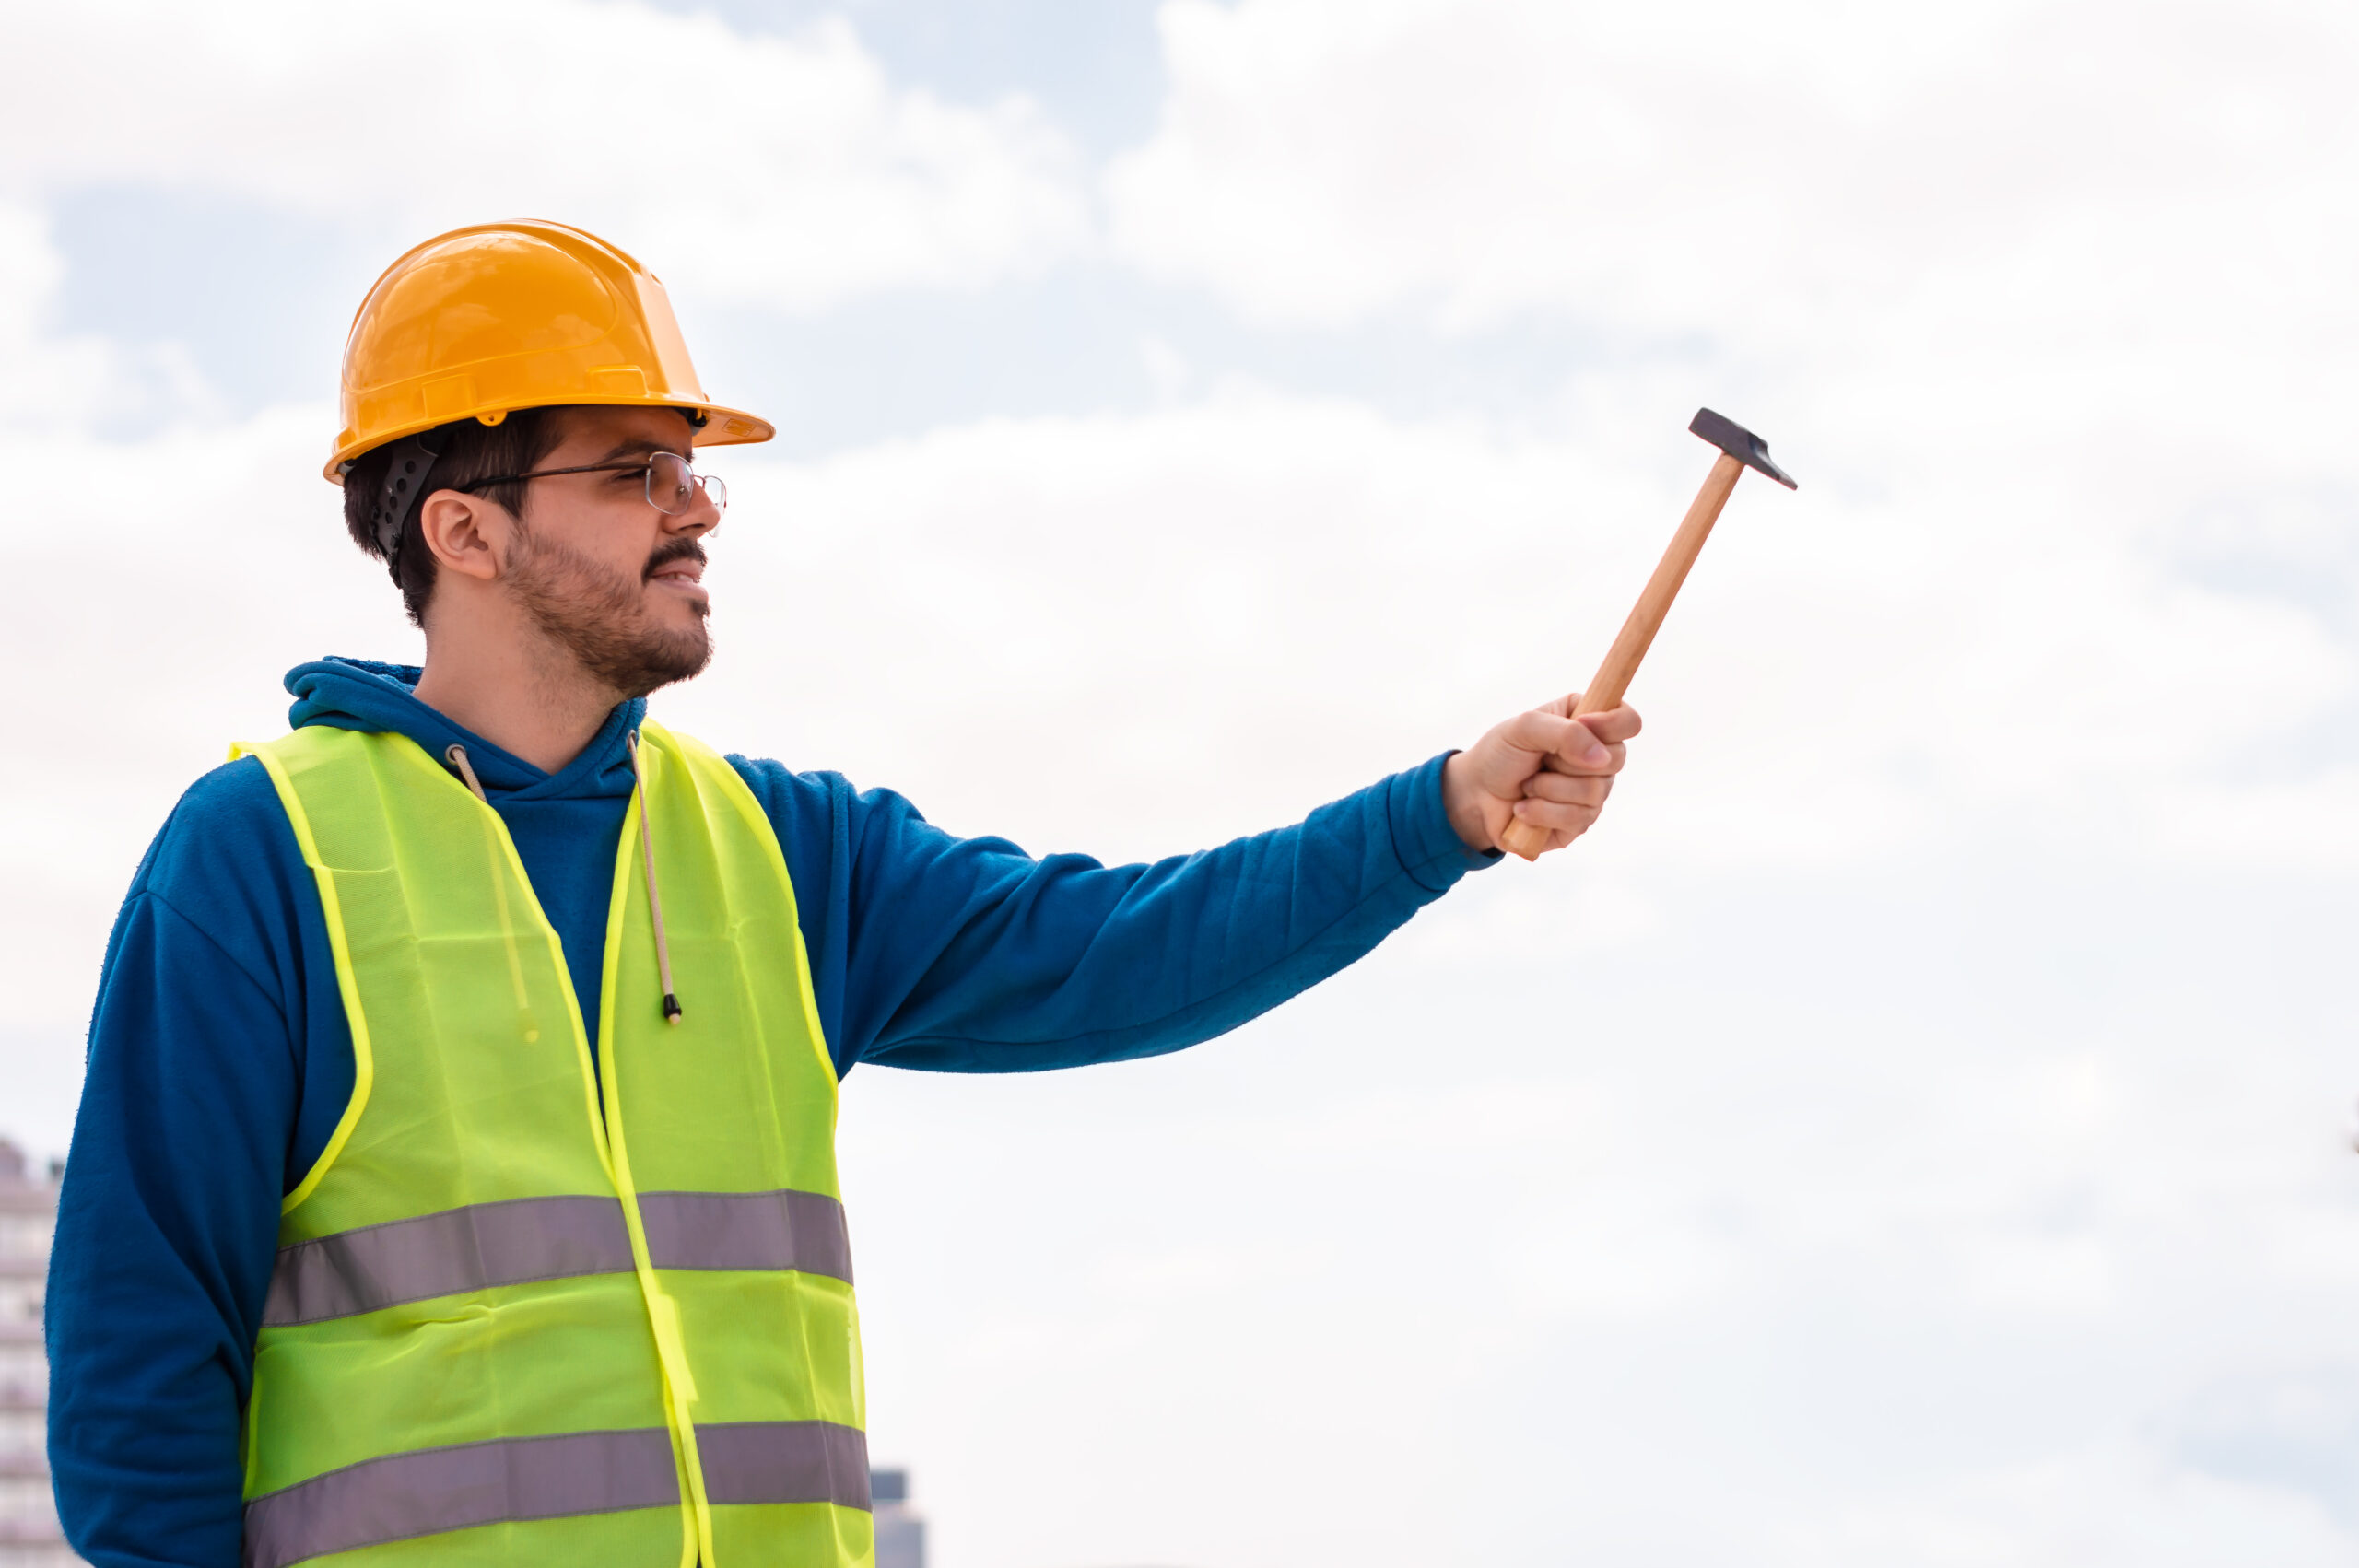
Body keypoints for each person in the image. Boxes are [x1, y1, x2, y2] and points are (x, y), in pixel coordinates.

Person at [44, 220, 1638, 1568]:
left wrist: (1437, 813)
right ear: (465, 527)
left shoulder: (784, 852)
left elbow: (1127, 949)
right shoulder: (264, 856)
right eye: (636, 471)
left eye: (691, 469)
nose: (698, 508)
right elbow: (138, 1370)